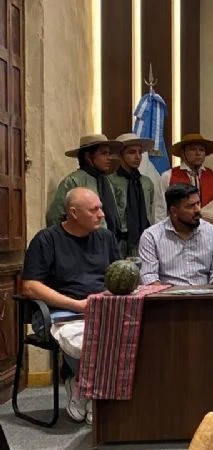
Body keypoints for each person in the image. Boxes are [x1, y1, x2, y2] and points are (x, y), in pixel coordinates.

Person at [22, 187, 120, 424]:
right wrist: (78, 305)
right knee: (87, 339)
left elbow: (118, 275)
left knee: (130, 333)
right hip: (60, 312)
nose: (102, 214)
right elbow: (30, 287)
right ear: (74, 213)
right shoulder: (46, 239)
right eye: (94, 210)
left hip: (101, 308)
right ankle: (91, 392)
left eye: (101, 208)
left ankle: (82, 385)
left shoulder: (106, 237)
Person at [139, 183, 213, 286]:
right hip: (167, 294)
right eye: (190, 206)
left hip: (206, 293)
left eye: (198, 203)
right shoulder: (151, 236)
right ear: (174, 211)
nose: (198, 210)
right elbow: (149, 275)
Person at [45, 135, 123, 238]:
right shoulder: (73, 181)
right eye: (103, 153)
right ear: (88, 157)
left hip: (107, 241)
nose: (109, 158)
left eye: (109, 153)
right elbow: (55, 217)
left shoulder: (106, 181)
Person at [152, 133, 213, 221]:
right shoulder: (168, 177)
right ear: (183, 153)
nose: (198, 153)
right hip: (177, 228)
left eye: (201, 150)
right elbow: (160, 210)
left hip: (209, 227)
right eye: (192, 149)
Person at [107, 133, 156, 257]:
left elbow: (150, 210)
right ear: (120, 154)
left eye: (140, 152)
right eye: (131, 152)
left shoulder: (146, 182)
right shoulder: (110, 181)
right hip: (120, 240)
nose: (137, 157)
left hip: (144, 240)